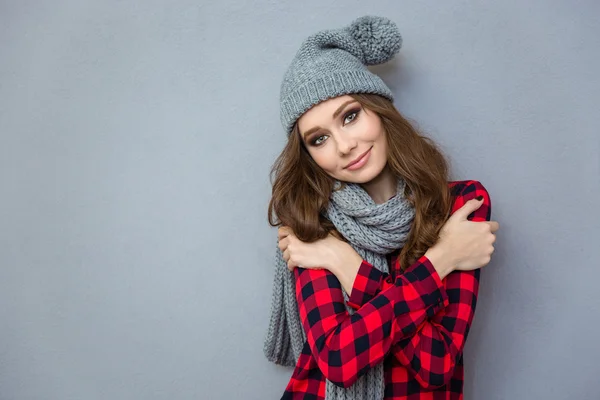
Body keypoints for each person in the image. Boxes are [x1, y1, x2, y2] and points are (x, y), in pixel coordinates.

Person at [263, 15, 499, 400]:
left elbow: (437, 363)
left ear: (380, 110)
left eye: (350, 116)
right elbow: (339, 360)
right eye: (319, 139)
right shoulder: (310, 224)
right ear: (307, 155)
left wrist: (346, 265)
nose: (344, 146)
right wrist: (441, 260)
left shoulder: (459, 204)